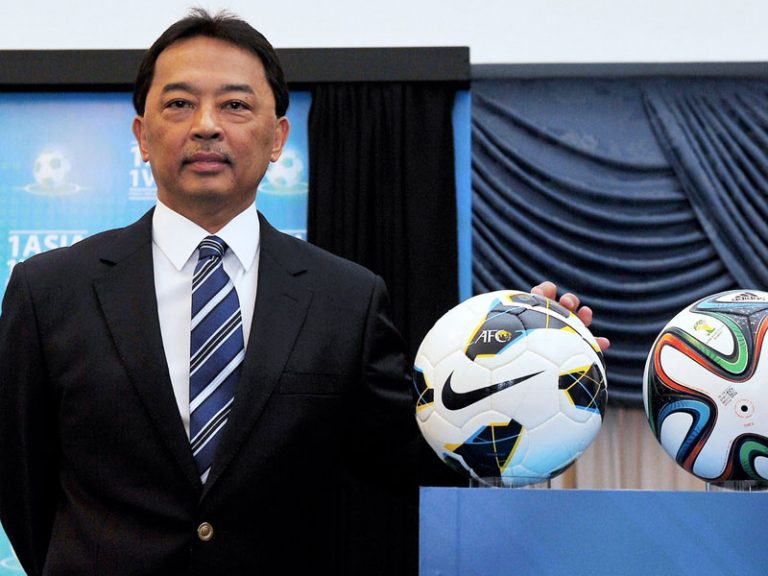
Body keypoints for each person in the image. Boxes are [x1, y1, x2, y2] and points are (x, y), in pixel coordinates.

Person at [0, 9, 608, 576]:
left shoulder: (346, 299)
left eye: (235, 105)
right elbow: (19, 479)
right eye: (179, 103)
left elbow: (410, 458)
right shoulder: (48, 290)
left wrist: (534, 375)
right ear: (141, 134)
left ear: (277, 138)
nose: (206, 125)